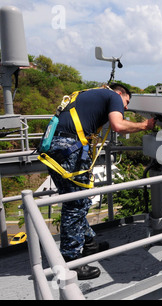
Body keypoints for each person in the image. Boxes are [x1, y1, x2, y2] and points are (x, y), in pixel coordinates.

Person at [47, 83, 155, 280]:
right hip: (69, 149)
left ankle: (89, 245)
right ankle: (71, 262)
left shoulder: (87, 94)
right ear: (119, 93)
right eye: (127, 102)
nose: (126, 107)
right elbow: (118, 125)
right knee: (75, 205)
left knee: (78, 202)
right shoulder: (112, 96)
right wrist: (145, 125)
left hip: (57, 148)